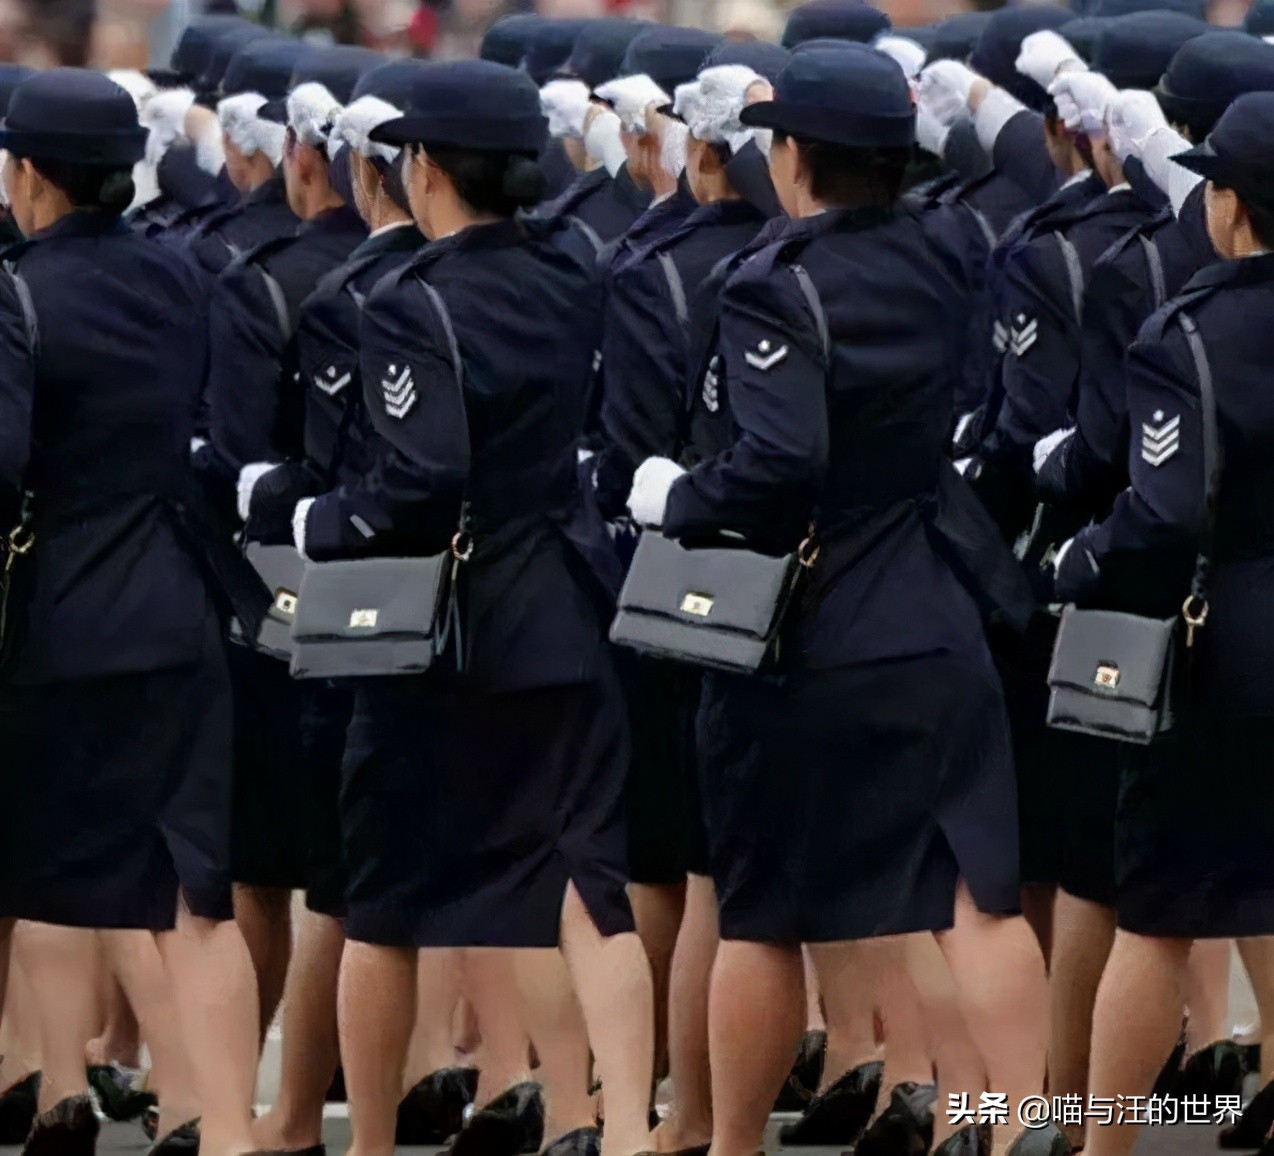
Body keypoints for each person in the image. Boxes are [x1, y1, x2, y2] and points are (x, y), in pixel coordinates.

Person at [627, 44, 1043, 1156]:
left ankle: (729, 1142)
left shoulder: (771, 279)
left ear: (794, 155)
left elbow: (776, 458)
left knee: (759, 912)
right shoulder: (949, 245)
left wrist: (679, 493)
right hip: (933, 597)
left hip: (807, 619)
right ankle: (1022, 1127)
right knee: (977, 894)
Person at [291, 58, 656, 1156]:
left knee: (386, 894)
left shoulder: (406, 299)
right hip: (562, 605)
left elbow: (417, 475)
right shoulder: (571, 267)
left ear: (427, 169)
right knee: (590, 882)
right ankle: (629, 1128)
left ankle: (365, 1143)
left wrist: (321, 522)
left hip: (439, 632)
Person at [0, 67, 263, 1156]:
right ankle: (228, 1132)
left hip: (53, 621)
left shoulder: (14, 294)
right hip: (179, 606)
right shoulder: (190, 275)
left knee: (24, 876)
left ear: (28, 177)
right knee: (193, 893)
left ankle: (44, 1079)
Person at [1053, 90, 1274, 1156]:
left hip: (1217, 643)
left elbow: (1161, 509)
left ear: (1230, 206)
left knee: (1157, 909)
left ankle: (1106, 1145)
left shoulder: (1184, 333)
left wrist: (1074, 560)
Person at [196, 46, 370, 1051]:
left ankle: (274, 1085)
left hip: (274, 603)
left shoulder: (258, 278)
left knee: (259, 871)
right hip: (419, 586)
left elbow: (231, 461)